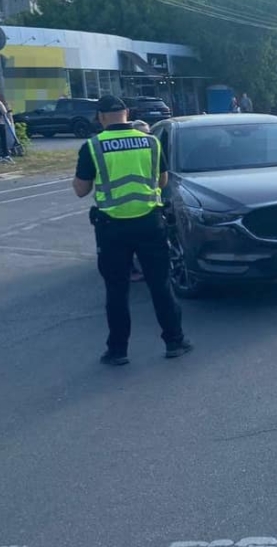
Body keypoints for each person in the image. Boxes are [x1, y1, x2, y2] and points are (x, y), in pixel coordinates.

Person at [73, 96, 193, 366]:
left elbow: (81, 190)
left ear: (101, 117)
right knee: (160, 285)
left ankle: (118, 351)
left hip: (111, 227)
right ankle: (175, 341)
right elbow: (161, 181)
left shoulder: (92, 146)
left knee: (116, 290)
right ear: (126, 113)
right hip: (150, 223)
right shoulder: (151, 142)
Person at [127, 119, 152, 283]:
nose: (146, 137)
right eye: (142, 133)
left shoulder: (154, 148)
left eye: (148, 133)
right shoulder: (129, 155)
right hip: (126, 208)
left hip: (149, 205)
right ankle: (132, 270)